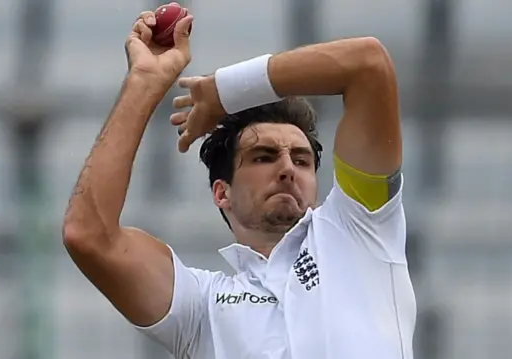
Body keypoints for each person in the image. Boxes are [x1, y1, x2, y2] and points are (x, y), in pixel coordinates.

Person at [62, 6, 416, 359]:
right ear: (222, 193)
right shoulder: (202, 308)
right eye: (263, 157)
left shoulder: (362, 231)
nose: (287, 168)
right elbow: (90, 236)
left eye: (302, 159)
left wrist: (227, 90)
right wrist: (144, 80)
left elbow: (368, 64)